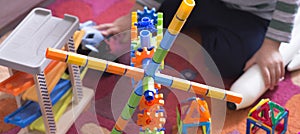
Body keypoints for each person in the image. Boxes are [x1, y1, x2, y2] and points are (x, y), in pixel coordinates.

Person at [95, 0, 300, 90]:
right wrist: (138, 11)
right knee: (156, 12)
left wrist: (272, 45)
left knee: (236, 61)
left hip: (250, 15)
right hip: (202, 3)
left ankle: (197, 34)